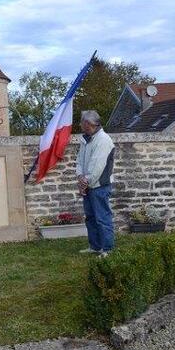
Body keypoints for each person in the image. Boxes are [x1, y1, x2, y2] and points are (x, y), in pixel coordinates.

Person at [76, 110, 115, 257]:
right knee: (91, 218)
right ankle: (95, 246)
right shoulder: (86, 139)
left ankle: (107, 249)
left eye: (82, 122)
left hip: (100, 186)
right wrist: (80, 175)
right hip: (88, 185)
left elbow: (97, 166)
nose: (80, 124)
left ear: (88, 124)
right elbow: (79, 160)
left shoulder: (103, 140)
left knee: (102, 218)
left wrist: (85, 182)